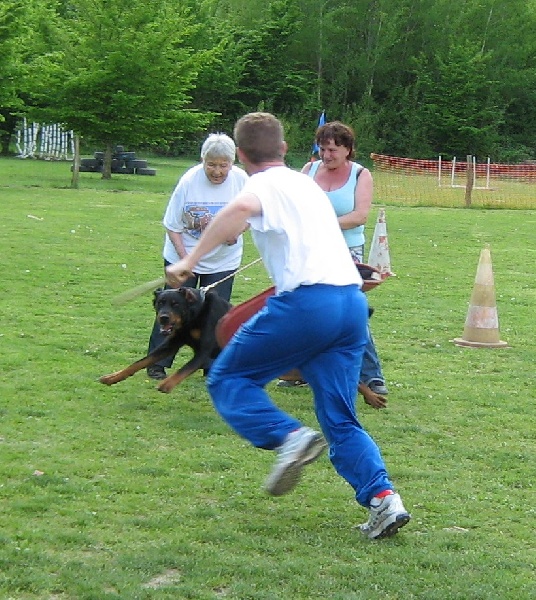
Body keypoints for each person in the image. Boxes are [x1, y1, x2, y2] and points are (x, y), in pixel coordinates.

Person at [166, 112, 410, 540]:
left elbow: (240, 209)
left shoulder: (260, 186)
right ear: (283, 148)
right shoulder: (307, 184)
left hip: (308, 304)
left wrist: (189, 259)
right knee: (340, 418)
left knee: (228, 378)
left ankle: (290, 437)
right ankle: (384, 499)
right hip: (349, 303)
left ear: (241, 156)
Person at [278, 121, 388, 400]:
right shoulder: (308, 171)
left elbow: (360, 216)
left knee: (349, 312)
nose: (326, 155)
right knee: (306, 309)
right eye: (323, 149)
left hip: (346, 252)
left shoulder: (360, 175)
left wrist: (325, 225)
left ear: (347, 149)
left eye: (332, 150)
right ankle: (302, 371)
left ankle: (371, 375)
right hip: (309, 251)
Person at [146, 133, 249, 380]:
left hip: (223, 260)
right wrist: (185, 260)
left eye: (223, 165)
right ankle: (157, 363)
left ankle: (211, 365)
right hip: (183, 254)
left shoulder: (242, 181)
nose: (217, 171)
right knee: (171, 310)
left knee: (217, 315)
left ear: (232, 162)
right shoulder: (189, 182)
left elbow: (252, 215)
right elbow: (172, 225)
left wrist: (237, 230)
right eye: (211, 165)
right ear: (203, 160)